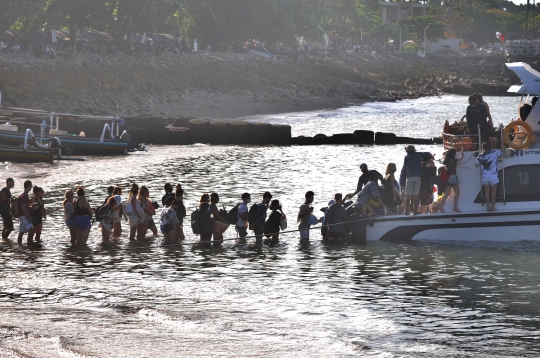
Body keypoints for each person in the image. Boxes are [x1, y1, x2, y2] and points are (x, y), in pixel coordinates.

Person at [475, 142, 503, 212]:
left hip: (485, 176)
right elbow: (504, 152)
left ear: (483, 148)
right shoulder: (495, 153)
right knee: (494, 192)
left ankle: (488, 207)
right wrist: (502, 144)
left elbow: (476, 165)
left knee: (487, 191)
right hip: (493, 176)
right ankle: (492, 207)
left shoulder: (480, 156)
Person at [400, 145, 427, 215]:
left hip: (409, 177)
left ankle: (406, 211)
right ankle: (415, 211)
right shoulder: (419, 154)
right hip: (418, 177)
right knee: (416, 195)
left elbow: (405, 167)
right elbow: (427, 153)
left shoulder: (406, 157)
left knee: (408, 195)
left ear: (407, 151)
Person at [439, 146, 465, 213]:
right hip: (453, 177)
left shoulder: (446, 160)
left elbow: (444, 154)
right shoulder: (454, 160)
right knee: (457, 193)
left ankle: (441, 207)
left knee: (447, 193)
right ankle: (455, 207)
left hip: (447, 178)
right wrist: (462, 150)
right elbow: (461, 157)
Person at [17, 180, 35, 245]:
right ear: (29, 186)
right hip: (23, 216)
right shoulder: (24, 195)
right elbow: (23, 207)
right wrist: (27, 217)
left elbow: (25, 205)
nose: (31, 188)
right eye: (31, 186)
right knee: (31, 230)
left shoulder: (22, 194)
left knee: (21, 232)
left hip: (21, 216)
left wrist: (31, 201)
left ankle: (19, 245)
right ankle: (29, 245)